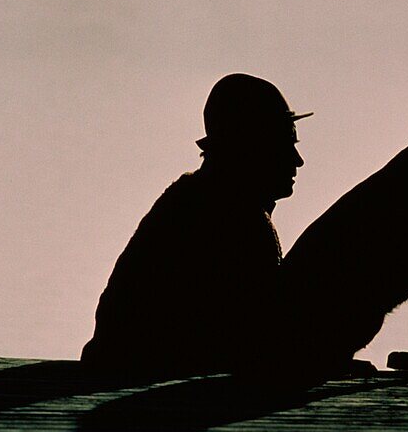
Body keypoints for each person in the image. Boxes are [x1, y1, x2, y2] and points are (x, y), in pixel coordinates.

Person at [80, 74, 308, 380]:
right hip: (145, 378)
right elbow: (257, 338)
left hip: (126, 366)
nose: (298, 161)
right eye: (284, 145)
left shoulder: (195, 201)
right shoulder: (235, 220)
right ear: (252, 147)